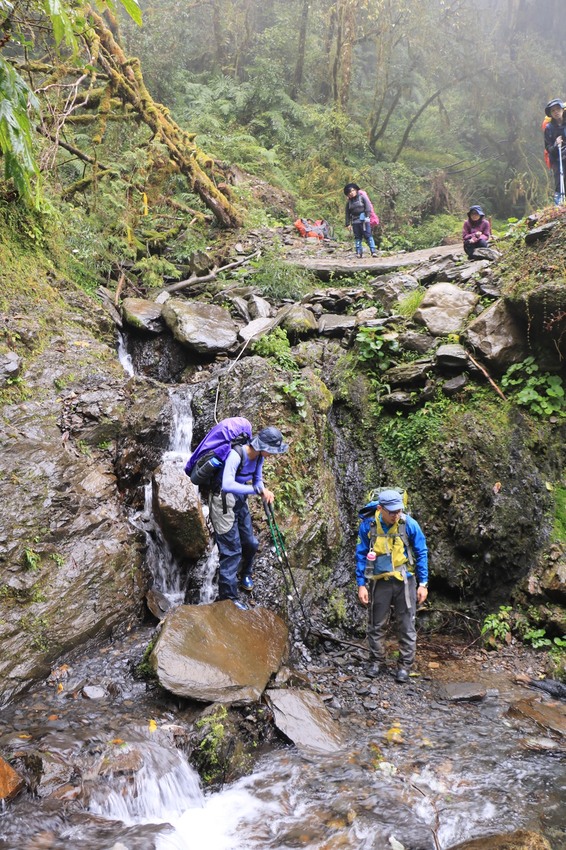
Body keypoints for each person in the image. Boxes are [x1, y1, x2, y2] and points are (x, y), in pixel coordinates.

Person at [209, 426, 288, 610]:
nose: (273, 454)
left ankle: (245, 574)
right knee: (232, 550)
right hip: (223, 502)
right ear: (263, 446)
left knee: (251, 543)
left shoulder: (259, 457)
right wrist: (255, 491)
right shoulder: (237, 455)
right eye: (273, 450)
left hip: (240, 501)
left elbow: (257, 479)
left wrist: (261, 489)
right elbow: (227, 484)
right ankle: (228, 599)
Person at [355, 489, 428, 683]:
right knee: (376, 623)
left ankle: (404, 666)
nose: (396, 515)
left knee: (406, 625)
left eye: (399, 511)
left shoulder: (409, 524)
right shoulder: (368, 526)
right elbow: (361, 555)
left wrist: (423, 584)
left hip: (405, 580)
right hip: (379, 581)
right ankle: (376, 661)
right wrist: (361, 584)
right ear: (380, 509)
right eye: (392, 512)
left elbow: (422, 552)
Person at [344, 183, 378, 258]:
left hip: (364, 220)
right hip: (355, 221)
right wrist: (347, 224)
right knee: (357, 237)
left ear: (356, 190)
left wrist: (367, 217)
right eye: (349, 192)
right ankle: (358, 252)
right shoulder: (349, 203)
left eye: (353, 190)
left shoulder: (362, 198)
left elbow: (368, 207)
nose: (352, 193)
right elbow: (347, 213)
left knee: (368, 236)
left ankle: (373, 251)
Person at [544, 98, 566, 205]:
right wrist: (556, 144)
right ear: (550, 114)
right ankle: (559, 205)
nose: (556, 112)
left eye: (558, 109)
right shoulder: (549, 128)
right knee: (559, 181)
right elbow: (548, 148)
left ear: (562, 109)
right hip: (557, 160)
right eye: (553, 110)